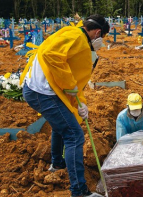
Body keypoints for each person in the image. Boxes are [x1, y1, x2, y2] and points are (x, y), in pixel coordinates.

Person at [20, 14, 110, 197]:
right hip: (42, 93)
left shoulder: (74, 33)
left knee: (61, 125)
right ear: (98, 33)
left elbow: (73, 76)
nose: (101, 42)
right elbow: (50, 54)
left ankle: (58, 163)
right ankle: (79, 191)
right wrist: (70, 87)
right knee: (74, 135)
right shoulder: (78, 38)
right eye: (102, 38)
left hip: (43, 90)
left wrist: (80, 104)